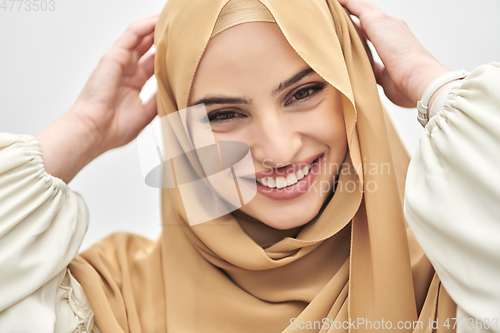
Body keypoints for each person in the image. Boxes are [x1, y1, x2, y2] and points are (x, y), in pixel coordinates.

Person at [0, 0, 499, 332]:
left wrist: (434, 83)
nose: (278, 150)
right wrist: (84, 128)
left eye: (304, 92)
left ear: (354, 92)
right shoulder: (113, 302)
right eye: (224, 114)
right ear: (179, 132)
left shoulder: (450, 280)